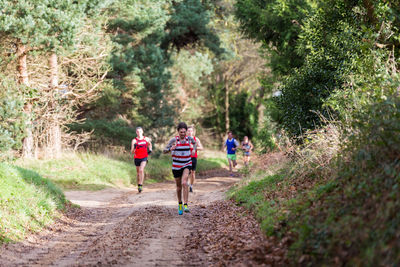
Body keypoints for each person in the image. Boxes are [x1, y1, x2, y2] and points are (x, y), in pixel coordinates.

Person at [163, 122, 197, 215]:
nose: (183, 133)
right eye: (181, 132)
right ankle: (180, 204)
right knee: (178, 187)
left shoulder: (189, 139)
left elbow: (195, 143)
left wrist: (193, 149)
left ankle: (186, 204)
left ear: (186, 131)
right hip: (176, 165)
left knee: (184, 183)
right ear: (178, 132)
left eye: (184, 132)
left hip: (187, 164)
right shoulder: (173, 140)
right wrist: (170, 149)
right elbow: (164, 151)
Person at [131, 127, 152, 193]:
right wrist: (134, 148)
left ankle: (141, 185)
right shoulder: (134, 140)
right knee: (138, 173)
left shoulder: (146, 139)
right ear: (136, 132)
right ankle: (138, 185)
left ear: (142, 131)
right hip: (137, 158)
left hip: (144, 157)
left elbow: (150, 145)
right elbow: (132, 151)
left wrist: (150, 150)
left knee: (141, 169)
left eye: (140, 131)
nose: (139, 133)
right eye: (137, 132)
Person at [187, 126, 203, 193]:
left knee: (193, 173)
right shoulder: (184, 139)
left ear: (193, 132)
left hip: (193, 157)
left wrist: (194, 147)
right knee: (186, 172)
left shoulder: (196, 139)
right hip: (186, 158)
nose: (190, 132)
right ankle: (186, 184)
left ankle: (191, 185)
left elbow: (201, 148)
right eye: (188, 131)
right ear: (186, 132)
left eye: (191, 131)